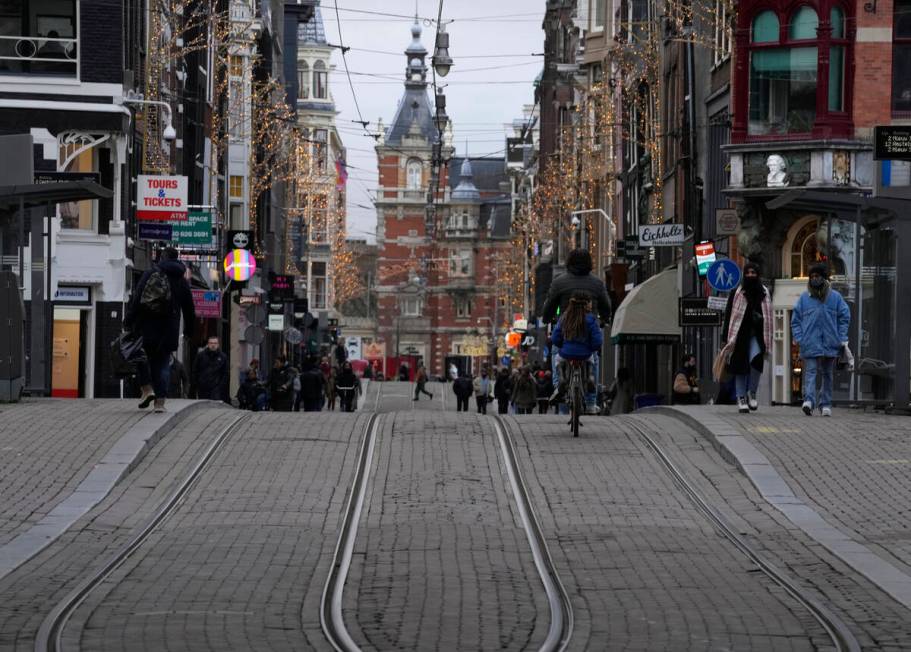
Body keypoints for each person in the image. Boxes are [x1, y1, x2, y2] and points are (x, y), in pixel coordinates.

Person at [123, 247, 195, 413]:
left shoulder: (150, 273)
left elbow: (137, 298)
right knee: (162, 364)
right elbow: (189, 309)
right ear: (177, 259)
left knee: (140, 356)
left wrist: (129, 321)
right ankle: (160, 402)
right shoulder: (181, 281)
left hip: (146, 326)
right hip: (169, 330)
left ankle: (147, 389)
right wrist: (190, 332)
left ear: (162, 257)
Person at [541, 249, 611, 411]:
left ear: (569, 262)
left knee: (556, 351)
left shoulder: (559, 282)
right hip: (588, 330)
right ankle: (592, 400)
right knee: (593, 356)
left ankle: (559, 386)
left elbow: (549, 305)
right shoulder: (597, 283)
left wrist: (546, 318)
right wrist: (605, 319)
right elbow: (606, 306)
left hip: (567, 329)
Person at [791, 263, 851, 417]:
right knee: (810, 372)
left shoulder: (835, 297)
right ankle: (809, 401)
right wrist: (800, 338)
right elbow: (795, 320)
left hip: (830, 342)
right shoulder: (805, 298)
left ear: (824, 278)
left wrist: (841, 337)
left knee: (827, 374)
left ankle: (825, 404)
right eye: (812, 277)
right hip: (810, 342)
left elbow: (845, 316)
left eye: (817, 276)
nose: (814, 279)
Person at [720, 262, 773, 414]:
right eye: (748, 273)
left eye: (753, 273)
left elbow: (769, 315)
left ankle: (752, 392)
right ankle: (741, 398)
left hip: (757, 334)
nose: (751, 275)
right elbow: (729, 316)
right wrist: (725, 338)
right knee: (740, 367)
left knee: (756, 362)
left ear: (758, 274)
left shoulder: (764, 292)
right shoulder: (736, 293)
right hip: (739, 335)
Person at [550, 293, 604, 408]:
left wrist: (562, 345)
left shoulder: (565, 317)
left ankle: (561, 378)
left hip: (566, 353)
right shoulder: (591, 319)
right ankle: (590, 376)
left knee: (557, 360)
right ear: (586, 305)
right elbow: (597, 341)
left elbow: (555, 337)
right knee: (592, 360)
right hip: (585, 354)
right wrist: (591, 348)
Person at [192, 335, 230, 403]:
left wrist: (221, 386)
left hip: (216, 389)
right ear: (208, 344)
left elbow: (225, 373)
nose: (213, 345)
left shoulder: (223, 357)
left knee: (214, 407)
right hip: (203, 388)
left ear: (218, 344)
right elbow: (195, 370)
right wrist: (197, 384)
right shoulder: (201, 356)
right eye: (211, 343)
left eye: (215, 343)